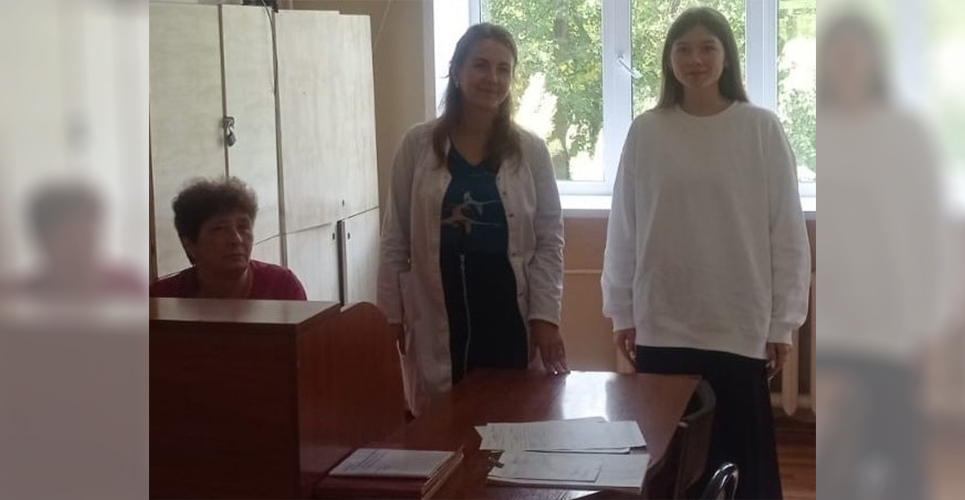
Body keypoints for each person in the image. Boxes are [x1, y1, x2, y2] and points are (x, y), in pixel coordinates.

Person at [601, 7, 810, 499]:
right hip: (662, 319)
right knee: (668, 464)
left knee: (738, 460)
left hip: (737, 321)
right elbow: (625, 227)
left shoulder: (760, 128)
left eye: (707, 48)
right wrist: (622, 311)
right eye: (683, 49)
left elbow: (786, 231)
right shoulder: (647, 131)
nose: (695, 59)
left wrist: (782, 323)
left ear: (726, 57)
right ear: (669, 59)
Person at [377, 23, 566, 416]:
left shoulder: (530, 150)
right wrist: (391, 315)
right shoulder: (417, 145)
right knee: (441, 422)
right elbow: (395, 238)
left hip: (507, 310)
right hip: (439, 306)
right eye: (480, 65)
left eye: (503, 69)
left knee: (512, 421)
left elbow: (549, 240)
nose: (491, 78)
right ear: (457, 71)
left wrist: (544, 316)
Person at [816, 10, 948, 500]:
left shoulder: (905, 132)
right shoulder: (821, 129)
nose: (847, 62)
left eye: (857, 51)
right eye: (838, 52)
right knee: (838, 461)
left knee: (896, 457)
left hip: (891, 321)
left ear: (875, 59)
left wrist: (927, 323)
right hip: (833, 323)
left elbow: (928, 235)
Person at [150, 176, 307, 300]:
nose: (236, 239)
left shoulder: (282, 287)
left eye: (243, 227)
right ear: (190, 244)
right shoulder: (162, 298)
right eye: (219, 229)